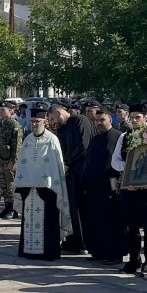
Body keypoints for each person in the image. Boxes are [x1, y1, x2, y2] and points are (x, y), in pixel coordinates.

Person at [13, 104, 72, 260]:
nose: (34, 124)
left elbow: (56, 165)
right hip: (28, 189)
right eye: (32, 121)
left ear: (44, 122)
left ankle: (48, 252)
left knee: (48, 221)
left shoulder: (52, 140)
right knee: (29, 220)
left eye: (37, 121)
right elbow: (23, 164)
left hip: (48, 189)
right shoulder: (27, 140)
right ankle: (28, 251)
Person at [111, 104, 147, 276]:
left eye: (137, 117)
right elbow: (115, 161)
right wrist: (130, 168)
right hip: (130, 187)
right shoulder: (124, 136)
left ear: (145, 118)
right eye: (131, 117)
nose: (133, 120)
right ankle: (134, 260)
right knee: (131, 227)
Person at [49, 103, 94, 253]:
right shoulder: (62, 128)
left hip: (82, 172)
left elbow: (83, 145)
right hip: (69, 173)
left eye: (53, 118)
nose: (53, 122)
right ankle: (73, 241)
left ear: (59, 113)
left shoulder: (80, 120)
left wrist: (68, 162)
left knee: (82, 208)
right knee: (71, 208)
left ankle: (85, 243)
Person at [81, 112, 123, 262]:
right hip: (94, 186)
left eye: (102, 120)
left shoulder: (118, 137)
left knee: (112, 221)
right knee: (96, 220)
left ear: (110, 120)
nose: (99, 123)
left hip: (110, 186)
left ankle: (115, 254)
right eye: (97, 120)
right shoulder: (95, 138)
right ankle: (98, 251)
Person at [0, 102, 24, 219]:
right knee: (3, 185)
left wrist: (13, 161)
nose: (1, 112)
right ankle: (7, 206)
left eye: (4, 110)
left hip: (9, 161)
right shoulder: (0, 124)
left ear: (11, 111)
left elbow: (17, 145)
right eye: (0, 110)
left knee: (11, 184)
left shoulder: (14, 125)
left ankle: (13, 208)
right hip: (1, 160)